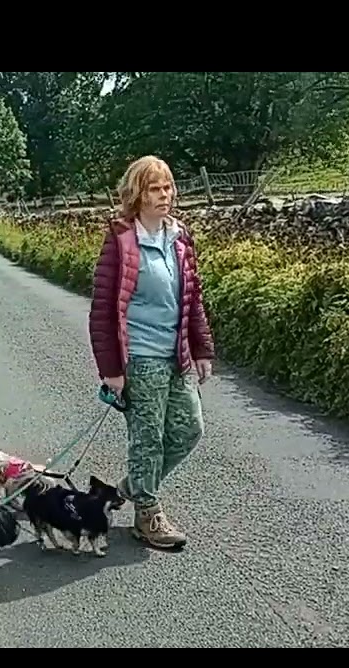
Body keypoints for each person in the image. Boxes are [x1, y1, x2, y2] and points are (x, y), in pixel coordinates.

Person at [88, 155, 214, 550]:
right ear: (136, 195)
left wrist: (201, 347)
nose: (165, 195)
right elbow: (103, 310)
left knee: (190, 429)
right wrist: (112, 369)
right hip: (140, 358)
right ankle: (147, 515)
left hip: (174, 354)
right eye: (155, 189)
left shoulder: (179, 237)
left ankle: (130, 487)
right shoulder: (122, 240)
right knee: (148, 440)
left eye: (168, 187)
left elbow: (191, 298)